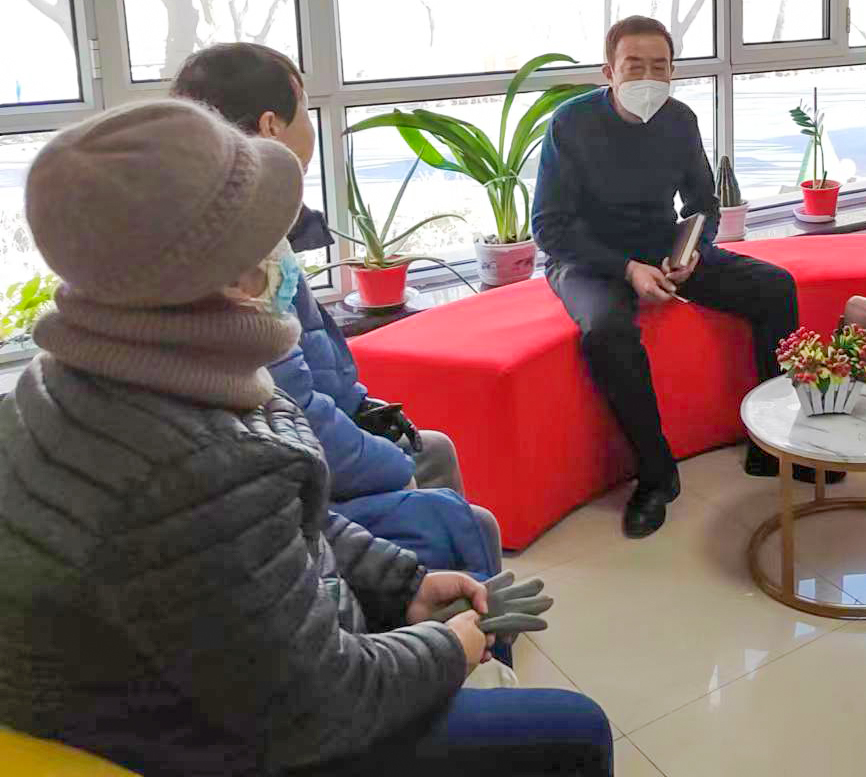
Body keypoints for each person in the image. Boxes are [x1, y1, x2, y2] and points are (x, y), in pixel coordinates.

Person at [0, 99, 612, 775]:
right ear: (228, 274)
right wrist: (451, 649)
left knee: (446, 546)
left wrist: (401, 584)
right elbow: (317, 705)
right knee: (573, 731)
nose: (281, 254)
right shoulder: (194, 462)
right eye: (262, 235)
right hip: (211, 742)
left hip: (207, 682)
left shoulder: (87, 371)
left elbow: (283, 527)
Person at [172, 43, 502, 578]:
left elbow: (312, 371)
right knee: (461, 514)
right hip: (283, 482)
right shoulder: (243, 253)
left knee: (432, 450)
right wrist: (387, 462)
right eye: (306, 109)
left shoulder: (238, 223)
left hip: (305, 445)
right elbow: (294, 411)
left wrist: (365, 410)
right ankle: (457, 610)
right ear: (272, 126)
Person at [533, 15, 838, 540]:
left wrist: (692, 249)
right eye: (635, 66)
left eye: (660, 67)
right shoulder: (570, 124)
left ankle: (771, 446)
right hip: (588, 258)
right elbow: (549, 228)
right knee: (607, 331)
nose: (648, 77)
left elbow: (703, 203)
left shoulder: (680, 120)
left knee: (774, 288)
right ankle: (656, 475)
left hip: (662, 247)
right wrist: (626, 269)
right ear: (609, 72)